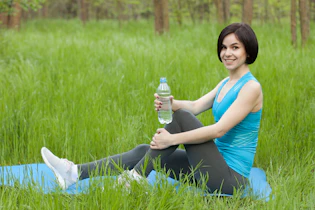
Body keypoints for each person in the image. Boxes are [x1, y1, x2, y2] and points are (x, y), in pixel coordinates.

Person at [41, 22, 262, 195]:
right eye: (223, 47)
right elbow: (195, 106)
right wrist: (172, 104)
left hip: (229, 180)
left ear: (248, 52)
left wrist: (172, 140)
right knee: (143, 151)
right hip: (210, 167)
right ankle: (74, 173)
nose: (227, 53)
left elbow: (218, 130)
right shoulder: (226, 83)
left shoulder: (251, 88)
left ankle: (133, 180)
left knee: (180, 119)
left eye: (235, 47)